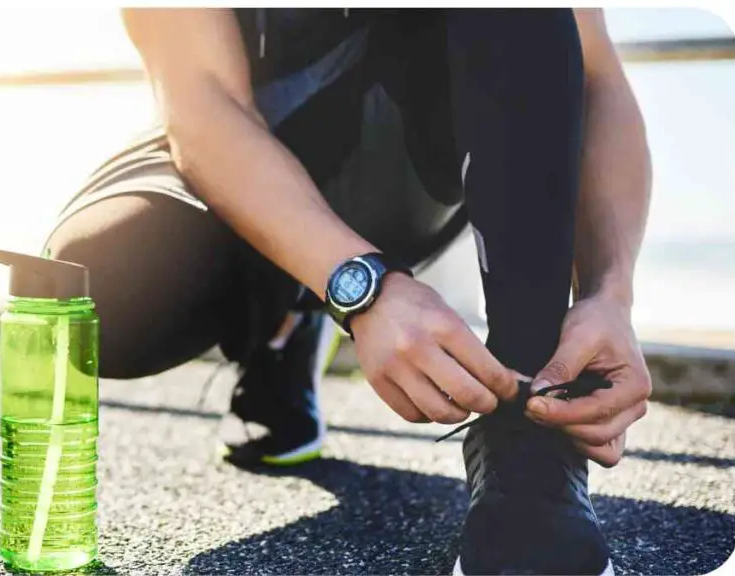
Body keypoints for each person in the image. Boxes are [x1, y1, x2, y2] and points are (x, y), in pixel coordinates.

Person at [44, 8, 652, 575]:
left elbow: (596, 78)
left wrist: (610, 292)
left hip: (420, 148)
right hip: (237, 142)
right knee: (95, 293)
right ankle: (285, 321)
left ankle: (532, 436)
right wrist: (360, 289)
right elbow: (203, 100)